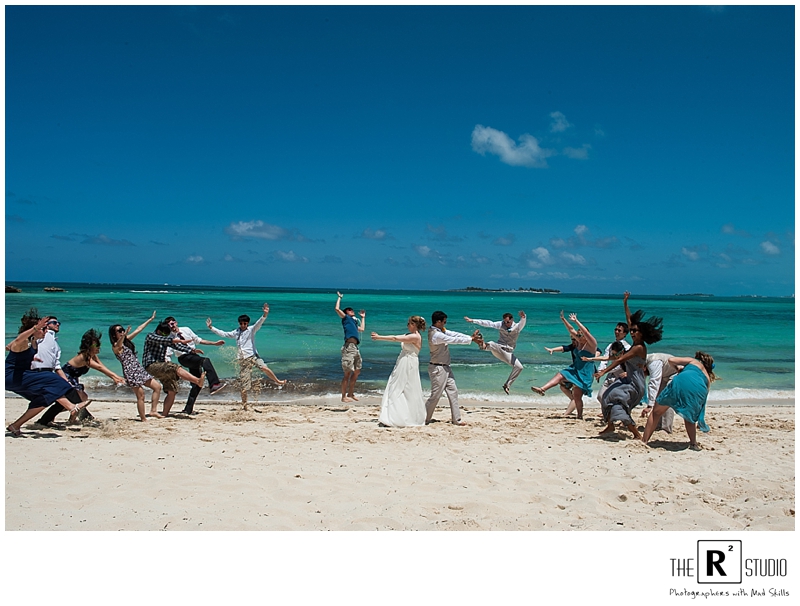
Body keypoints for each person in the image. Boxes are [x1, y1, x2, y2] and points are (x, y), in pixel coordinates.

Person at [6, 310, 88, 437]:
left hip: (21, 376)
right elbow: (16, 342)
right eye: (43, 329)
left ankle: (15, 426)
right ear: (34, 329)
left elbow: (19, 356)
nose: (45, 332)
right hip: (10, 376)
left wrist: (32, 359)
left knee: (44, 399)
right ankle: (72, 407)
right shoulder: (23, 342)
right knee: (53, 379)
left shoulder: (33, 343)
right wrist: (35, 328)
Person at [594, 292, 663, 439]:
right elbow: (629, 320)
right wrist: (625, 303)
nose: (632, 333)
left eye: (635, 331)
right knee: (606, 396)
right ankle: (611, 426)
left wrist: (602, 372)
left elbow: (619, 360)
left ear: (642, 334)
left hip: (635, 383)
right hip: (628, 379)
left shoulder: (639, 348)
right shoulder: (635, 343)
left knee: (618, 404)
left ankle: (637, 434)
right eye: (631, 331)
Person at [36, 329, 126, 427]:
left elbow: (101, 365)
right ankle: (85, 419)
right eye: (95, 345)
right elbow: (99, 368)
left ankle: (50, 420)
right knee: (78, 399)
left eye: (98, 345)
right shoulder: (84, 357)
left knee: (77, 399)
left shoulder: (92, 356)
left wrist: (116, 377)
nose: (98, 347)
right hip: (65, 378)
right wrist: (114, 377)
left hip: (73, 378)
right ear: (88, 346)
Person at [207, 303, 286, 408]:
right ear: (239, 323)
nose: (243, 325)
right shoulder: (236, 332)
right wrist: (211, 327)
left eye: (245, 323)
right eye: (241, 323)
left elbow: (260, 322)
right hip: (242, 360)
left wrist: (265, 314)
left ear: (247, 323)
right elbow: (224, 334)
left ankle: (278, 381)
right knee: (244, 385)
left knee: (264, 367)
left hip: (253, 356)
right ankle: (244, 405)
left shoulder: (252, 329)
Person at [642, 352, 716, 451]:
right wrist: (699, 418)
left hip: (679, 382)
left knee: (656, 413)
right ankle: (693, 444)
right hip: (698, 389)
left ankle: (644, 441)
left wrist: (677, 368)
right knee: (689, 417)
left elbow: (671, 360)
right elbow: (703, 398)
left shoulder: (693, 362)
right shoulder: (706, 377)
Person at [531, 311, 598, 420]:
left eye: (581, 334)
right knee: (561, 374)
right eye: (578, 334)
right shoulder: (578, 342)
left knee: (577, 396)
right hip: (575, 369)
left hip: (585, 373)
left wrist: (577, 321)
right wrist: (563, 320)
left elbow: (584, 331)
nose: (578, 335)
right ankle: (542, 389)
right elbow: (571, 330)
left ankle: (580, 415)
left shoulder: (592, 344)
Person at [424, 311, 482, 426]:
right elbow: (453, 340)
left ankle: (457, 419)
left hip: (445, 367)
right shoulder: (436, 334)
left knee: (453, 392)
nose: (445, 324)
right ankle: (423, 418)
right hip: (438, 369)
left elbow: (454, 334)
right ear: (438, 322)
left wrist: (470, 338)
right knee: (435, 396)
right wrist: (471, 340)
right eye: (444, 322)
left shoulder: (441, 331)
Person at [370, 316, 427, 427]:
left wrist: (379, 337)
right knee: (399, 386)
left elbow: (395, 338)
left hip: (408, 362)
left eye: (409, 323)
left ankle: (399, 416)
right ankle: (395, 414)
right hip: (404, 361)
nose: (407, 325)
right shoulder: (410, 335)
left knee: (402, 387)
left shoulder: (415, 337)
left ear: (414, 325)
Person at [164, 316, 227, 415]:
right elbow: (167, 354)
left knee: (197, 383)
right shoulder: (170, 338)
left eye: (172, 324)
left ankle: (188, 409)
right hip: (184, 358)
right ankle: (214, 384)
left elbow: (198, 340)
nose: (171, 326)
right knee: (205, 361)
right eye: (168, 325)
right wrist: (168, 366)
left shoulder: (186, 329)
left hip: (193, 356)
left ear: (176, 323)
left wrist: (214, 343)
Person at [142, 321, 206, 417]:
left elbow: (176, 346)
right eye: (164, 333)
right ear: (159, 331)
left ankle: (163, 414)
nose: (166, 336)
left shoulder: (165, 338)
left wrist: (191, 350)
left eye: (167, 334)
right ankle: (197, 381)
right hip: (151, 366)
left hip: (161, 366)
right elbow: (164, 340)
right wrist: (179, 340)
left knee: (172, 389)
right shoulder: (150, 336)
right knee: (174, 367)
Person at [109, 312, 164, 421]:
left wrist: (150, 319)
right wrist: (124, 336)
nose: (122, 331)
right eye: (119, 331)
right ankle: (143, 419)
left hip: (139, 369)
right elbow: (118, 344)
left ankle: (153, 411)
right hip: (130, 372)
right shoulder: (116, 346)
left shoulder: (126, 341)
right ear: (114, 335)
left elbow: (139, 329)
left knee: (157, 387)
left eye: (122, 329)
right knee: (141, 396)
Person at [464, 310, 527, 394]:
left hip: (508, 353)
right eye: (505, 321)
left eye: (508, 322)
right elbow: (489, 323)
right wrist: (473, 320)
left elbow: (522, 321)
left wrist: (523, 317)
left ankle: (507, 385)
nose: (506, 323)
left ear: (512, 320)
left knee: (519, 367)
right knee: (493, 344)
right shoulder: (501, 324)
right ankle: (482, 344)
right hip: (499, 348)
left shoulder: (517, 327)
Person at [334, 292, 366, 403]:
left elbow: (362, 329)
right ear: (346, 312)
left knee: (357, 371)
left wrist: (362, 318)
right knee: (347, 373)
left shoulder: (353, 322)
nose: (351, 310)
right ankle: (343, 397)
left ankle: (350, 393)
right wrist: (339, 298)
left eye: (352, 310)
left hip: (355, 348)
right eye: (349, 310)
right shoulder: (346, 318)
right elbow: (337, 309)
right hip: (348, 347)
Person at [641, 352, 680, 433]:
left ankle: (666, 428)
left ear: (644, 367)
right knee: (658, 398)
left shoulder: (653, 363)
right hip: (664, 374)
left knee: (667, 399)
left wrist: (649, 405)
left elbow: (653, 383)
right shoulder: (643, 363)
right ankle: (657, 425)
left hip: (675, 373)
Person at [595, 322, 631, 404]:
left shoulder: (627, 347)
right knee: (600, 396)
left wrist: (605, 371)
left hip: (620, 375)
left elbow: (622, 364)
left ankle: (611, 413)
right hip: (610, 374)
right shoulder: (611, 345)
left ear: (625, 333)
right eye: (616, 329)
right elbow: (605, 358)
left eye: (619, 330)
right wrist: (601, 370)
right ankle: (609, 412)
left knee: (613, 397)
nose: (616, 332)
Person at [30, 316, 69, 382]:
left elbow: (57, 366)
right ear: (46, 325)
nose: (58, 324)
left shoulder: (56, 344)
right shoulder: (41, 335)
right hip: (36, 372)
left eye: (58, 323)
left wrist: (67, 382)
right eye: (54, 322)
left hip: (48, 374)